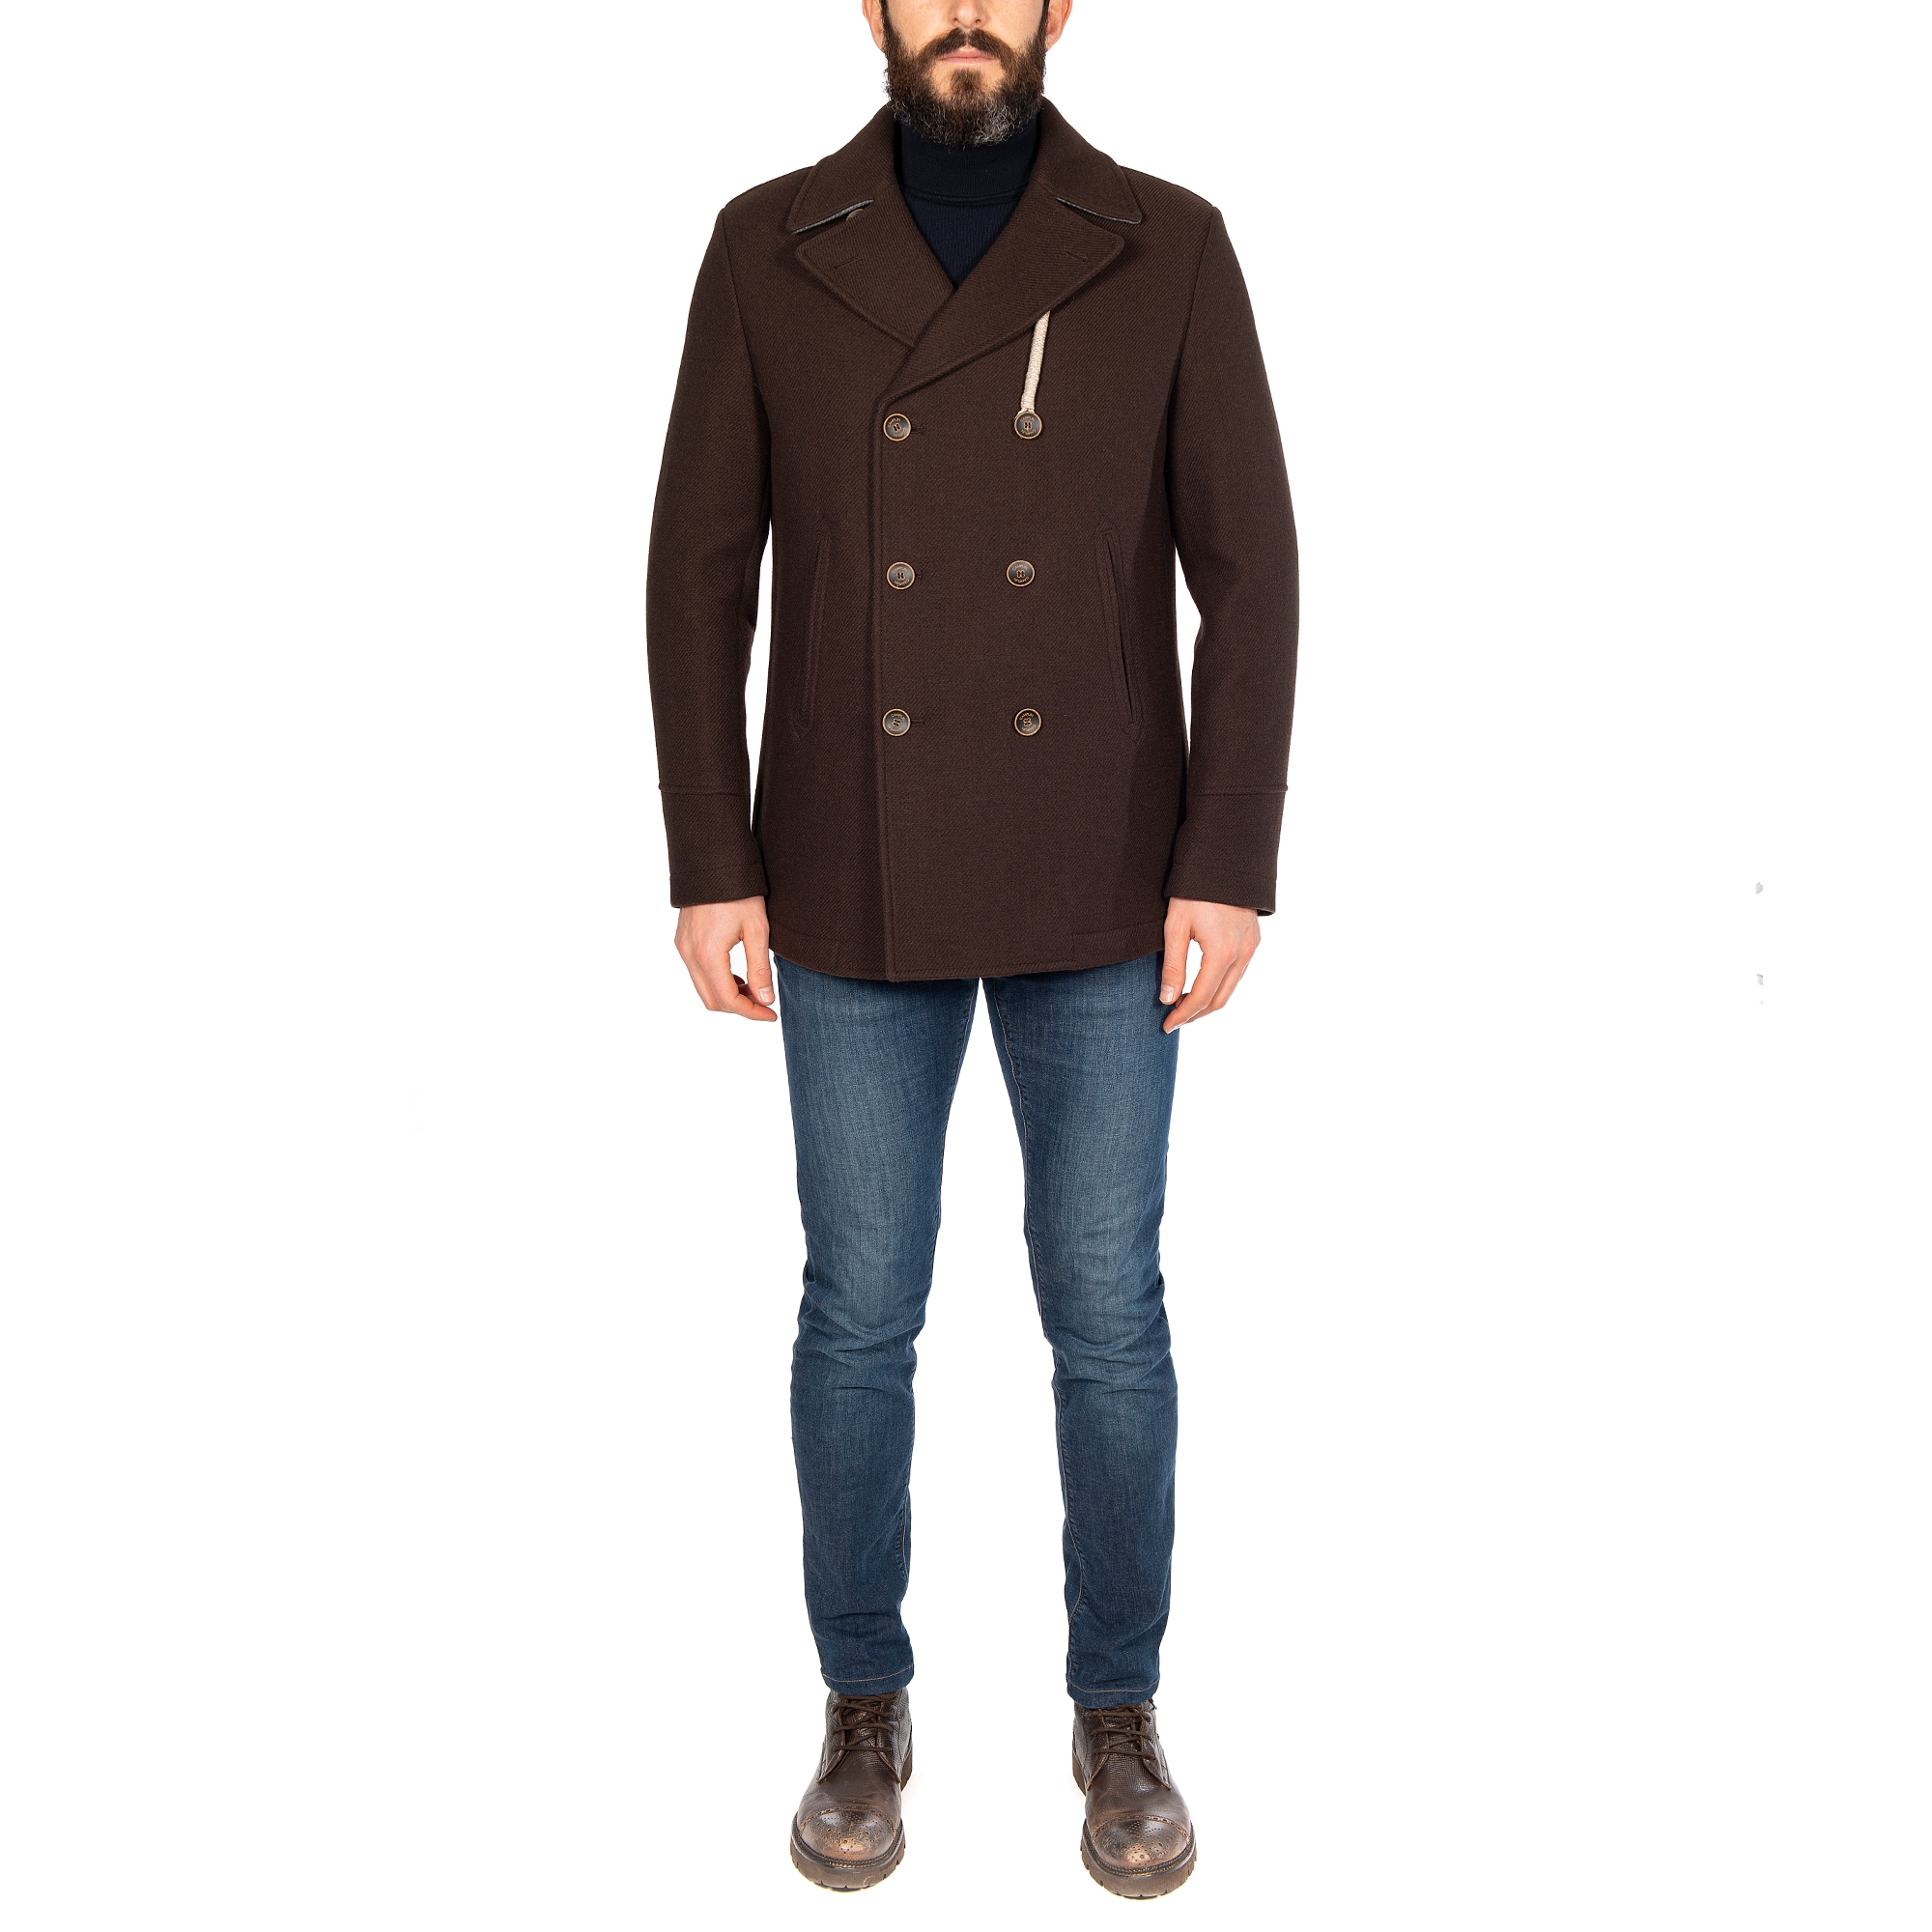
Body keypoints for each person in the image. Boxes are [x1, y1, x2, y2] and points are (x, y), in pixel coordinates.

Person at [646, 0, 1296, 1898]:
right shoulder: (766, 242)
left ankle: (1119, 1710)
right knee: (858, 1308)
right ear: (872, 6)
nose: (961, 14)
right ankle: (862, 1701)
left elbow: (1250, 570)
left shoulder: (1166, 243)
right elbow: (696, 572)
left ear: (1055, 8)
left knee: (1108, 1310)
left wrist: (1228, 860)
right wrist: (711, 859)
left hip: (1106, 864)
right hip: (846, 861)